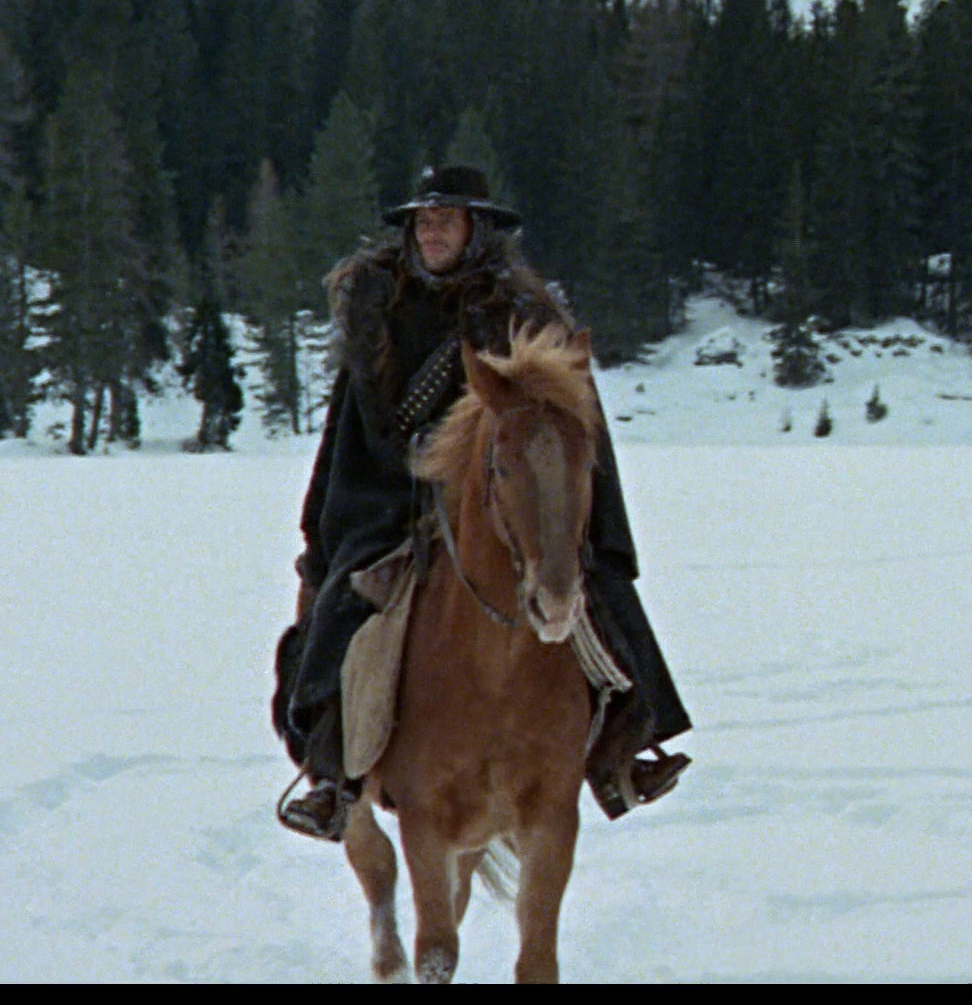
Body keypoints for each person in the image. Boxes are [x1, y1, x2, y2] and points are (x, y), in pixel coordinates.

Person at [272, 165, 692, 840]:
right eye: (423, 221)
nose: (431, 232)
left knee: (597, 591)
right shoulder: (377, 309)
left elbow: (569, 421)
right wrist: (334, 523)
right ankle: (333, 779)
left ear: (477, 229)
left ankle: (625, 753)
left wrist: (581, 516)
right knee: (343, 608)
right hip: (392, 497)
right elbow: (350, 429)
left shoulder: (523, 313)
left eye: (446, 220)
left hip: (505, 496)